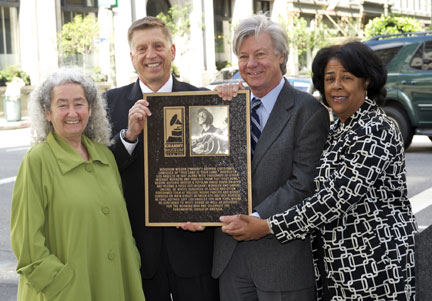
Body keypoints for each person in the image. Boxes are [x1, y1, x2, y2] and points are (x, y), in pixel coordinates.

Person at [220, 41, 418, 300]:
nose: (336, 86)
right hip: (338, 265)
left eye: (346, 78)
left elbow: (334, 200)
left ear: (366, 81)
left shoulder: (376, 128)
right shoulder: (338, 129)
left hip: (375, 261)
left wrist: (268, 226)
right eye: (329, 78)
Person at [212, 14, 330, 300]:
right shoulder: (225, 106)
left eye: (260, 54)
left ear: (281, 57)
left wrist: (256, 220)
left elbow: (303, 183)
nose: (251, 64)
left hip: (282, 262)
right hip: (230, 260)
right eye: (243, 56)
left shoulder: (308, 111)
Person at [104, 16, 219, 300]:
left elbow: (219, 173)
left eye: (158, 45)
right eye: (142, 49)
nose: (151, 54)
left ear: (173, 51)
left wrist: (208, 214)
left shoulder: (203, 99)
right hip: (138, 252)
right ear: (132, 57)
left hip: (194, 249)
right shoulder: (108, 104)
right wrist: (128, 137)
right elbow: (100, 173)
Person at [10, 68, 145, 301]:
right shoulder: (37, 161)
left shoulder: (105, 156)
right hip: (66, 292)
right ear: (47, 113)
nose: (72, 112)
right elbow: (26, 244)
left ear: (91, 110)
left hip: (117, 284)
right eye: (62, 105)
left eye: (79, 104)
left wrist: (131, 259)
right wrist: (60, 284)